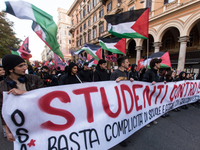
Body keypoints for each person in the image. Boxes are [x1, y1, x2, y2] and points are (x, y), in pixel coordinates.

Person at [0, 54, 44, 141]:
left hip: (38, 120)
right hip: (19, 125)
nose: (25, 68)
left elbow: (43, 97)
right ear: (10, 69)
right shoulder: (1, 86)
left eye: (25, 65)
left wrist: (24, 93)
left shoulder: (34, 79)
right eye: (20, 66)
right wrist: (7, 131)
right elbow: (2, 109)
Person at [110, 56, 134, 147]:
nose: (128, 63)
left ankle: (123, 136)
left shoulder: (126, 73)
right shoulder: (115, 73)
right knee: (118, 120)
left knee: (124, 119)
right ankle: (119, 138)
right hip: (117, 100)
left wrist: (130, 81)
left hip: (124, 100)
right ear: (122, 64)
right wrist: (114, 82)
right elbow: (109, 86)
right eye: (127, 62)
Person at [142, 58, 163, 127]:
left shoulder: (156, 72)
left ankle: (152, 118)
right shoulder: (149, 72)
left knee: (153, 106)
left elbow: (157, 82)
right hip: (148, 93)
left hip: (154, 94)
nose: (160, 64)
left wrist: (163, 83)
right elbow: (144, 81)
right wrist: (151, 83)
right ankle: (146, 120)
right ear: (155, 64)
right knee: (147, 107)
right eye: (159, 63)